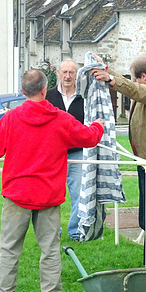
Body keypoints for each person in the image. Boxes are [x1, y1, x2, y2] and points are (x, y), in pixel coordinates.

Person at [0, 69, 104, 292]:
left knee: (9, 249)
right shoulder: (61, 119)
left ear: (22, 92)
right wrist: (98, 126)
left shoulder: (11, 118)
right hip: (48, 195)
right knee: (50, 249)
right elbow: (89, 137)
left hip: (16, 194)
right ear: (45, 90)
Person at [92, 57, 146, 267]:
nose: (133, 82)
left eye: (134, 78)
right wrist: (105, 69)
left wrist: (112, 79)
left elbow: (139, 92)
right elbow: (135, 89)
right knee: (145, 217)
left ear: (144, 77)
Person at [45, 59, 85, 241]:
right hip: (53, 155)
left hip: (77, 153)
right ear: (58, 74)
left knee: (78, 193)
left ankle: (75, 232)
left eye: (72, 72)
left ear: (77, 75)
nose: (68, 76)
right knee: (52, 195)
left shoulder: (84, 97)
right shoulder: (48, 97)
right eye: (64, 72)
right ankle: (54, 232)